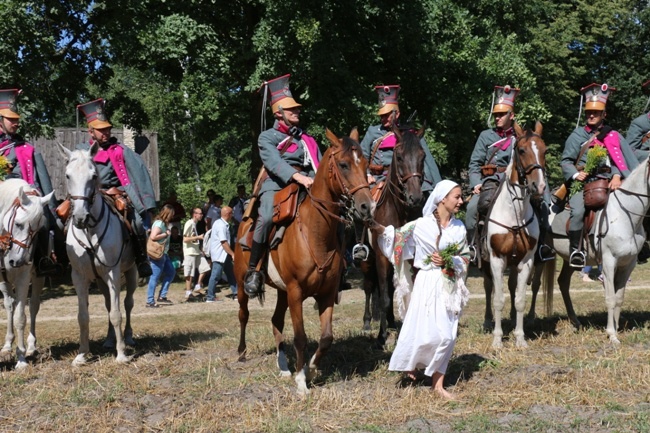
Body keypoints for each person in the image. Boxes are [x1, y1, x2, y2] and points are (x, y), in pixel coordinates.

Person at [369, 180, 470, 399]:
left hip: (448, 284)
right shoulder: (421, 225)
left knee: (448, 334)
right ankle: (413, 365)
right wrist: (374, 226)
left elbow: (466, 257)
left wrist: (450, 260)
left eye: (461, 197)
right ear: (442, 198)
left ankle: (438, 384)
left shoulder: (459, 227)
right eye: (457, 197)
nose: (461, 201)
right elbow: (395, 238)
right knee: (423, 331)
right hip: (426, 283)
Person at [243, 74, 322, 296]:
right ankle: (254, 271)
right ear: (278, 113)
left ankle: (337, 269)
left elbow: (320, 162)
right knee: (266, 216)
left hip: (308, 184)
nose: (296, 112)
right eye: (291, 110)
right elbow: (274, 163)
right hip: (276, 185)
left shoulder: (306, 138)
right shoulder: (267, 137)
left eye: (296, 109)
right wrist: (298, 177)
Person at [354, 84, 442, 261]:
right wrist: (366, 175)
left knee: (426, 206)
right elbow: (360, 157)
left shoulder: (410, 134)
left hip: (407, 179)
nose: (385, 118)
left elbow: (427, 161)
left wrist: (439, 190)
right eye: (382, 115)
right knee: (359, 209)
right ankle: (361, 244)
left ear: (397, 114)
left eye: (388, 115)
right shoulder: (373, 132)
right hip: (378, 179)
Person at [466, 85, 554, 262]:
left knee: (542, 206)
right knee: (471, 209)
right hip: (489, 181)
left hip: (515, 181)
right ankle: (473, 247)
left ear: (511, 115)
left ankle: (541, 247)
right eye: (496, 114)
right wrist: (476, 183)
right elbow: (474, 164)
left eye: (502, 114)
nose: (497, 118)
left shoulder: (520, 138)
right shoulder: (485, 136)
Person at [76, 98, 156, 278]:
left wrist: (145, 203)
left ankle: (141, 259)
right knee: (60, 219)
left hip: (114, 194)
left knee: (135, 222)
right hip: (86, 196)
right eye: (100, 130)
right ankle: (58, 259)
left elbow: (140, 173)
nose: (105, 132)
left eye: (107, 129)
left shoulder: (120, 150)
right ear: (90, 131)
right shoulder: (80, 150)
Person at [561, 83, 638, 268]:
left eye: (596, 112)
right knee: (578, 211)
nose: (592, 115)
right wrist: (574, 175)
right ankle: (576, 251)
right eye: (589, 112)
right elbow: (565, 161)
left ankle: (638, 244)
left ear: (604, 114)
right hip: (583, 183)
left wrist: (617, 176)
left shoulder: (613, 135)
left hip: (608, 182)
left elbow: (620, 161)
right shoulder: (577, 135)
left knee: (633, 206)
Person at [0, 88, 60, 276]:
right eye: (12, 119)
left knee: (44, 224)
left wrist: (51, 210)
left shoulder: (27, 149)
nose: (16, 123)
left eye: (17, 119)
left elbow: (43, 180)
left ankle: (43, 259)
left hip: (25, 200)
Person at [146, 204, 176, 307]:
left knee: (171, 272)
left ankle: (162, 296)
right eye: (171, 214)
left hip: (164, 254)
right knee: (154, 277)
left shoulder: (164, 224)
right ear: (167, 213)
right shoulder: (159, 223)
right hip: (157, 254)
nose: (173, 216)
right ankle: (150, 301)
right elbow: (153, 236)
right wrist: (166, 234)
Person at [206, 206, 237, 302]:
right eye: (232, 213)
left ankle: (236, 293)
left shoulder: (220, 223)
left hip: (224, 255)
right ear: (228, 214)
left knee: (231, 274)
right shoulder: (221, 225)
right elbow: (224, 242)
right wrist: (232, 254)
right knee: (215, 276)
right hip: (220, 255)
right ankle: (210, 297)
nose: (232, 216)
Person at [183, 207, 205, 299]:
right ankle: (188, 292)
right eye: (200, 213)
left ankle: (197, 286)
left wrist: (200, 249)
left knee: (205, 267)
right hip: (189, 251)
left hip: (196, 251)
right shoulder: (189, 223)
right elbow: (185, 239)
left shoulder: (195, 224)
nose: (201, 215)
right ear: (194, 214)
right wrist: (198, 238)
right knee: (190, 273)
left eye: (202, 214)